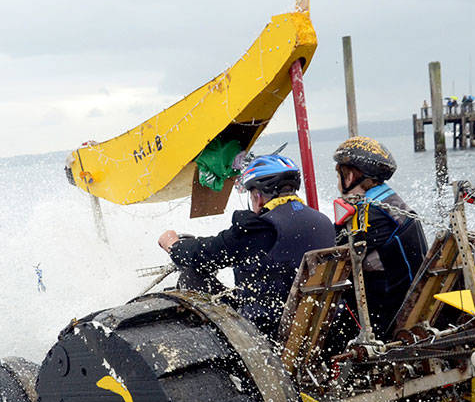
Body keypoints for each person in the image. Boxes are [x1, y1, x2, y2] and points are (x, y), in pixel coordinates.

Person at [157, 154, 333, 336]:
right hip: (315, 328)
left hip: (265, 332)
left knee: (192, 276)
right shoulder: (324, 222)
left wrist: (174, 245)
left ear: (258, 195)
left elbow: (209, 254)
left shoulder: (262, 228)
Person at [332, 136, 429, 336]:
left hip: (389, 315)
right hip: (416, 300)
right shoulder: (392, 201)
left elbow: (335, 254)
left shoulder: (367, 213)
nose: (338, 184)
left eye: (339, 176)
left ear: (349, 177)